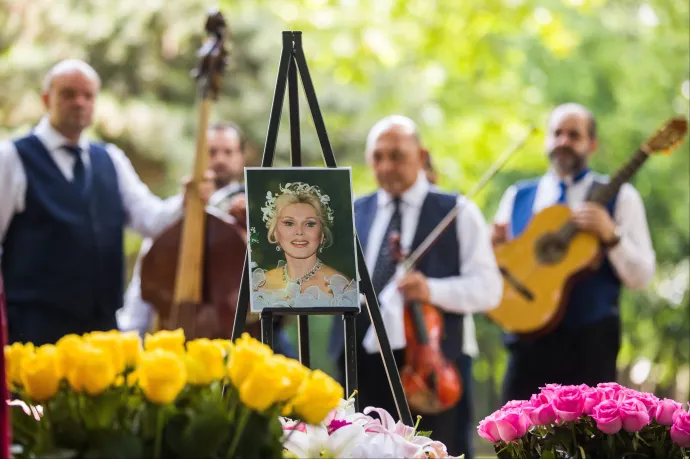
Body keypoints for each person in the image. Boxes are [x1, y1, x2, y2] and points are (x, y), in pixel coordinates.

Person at [0, 59, 213, 346]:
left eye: (88, 96)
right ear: (46, 99)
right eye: (69, 94)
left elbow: (151, 220)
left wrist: (186, 201)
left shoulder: (111, 159)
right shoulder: (12, 157)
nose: (80, 102)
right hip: (34, 327)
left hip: (102, 329)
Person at [328, 115, 503, 458]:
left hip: (431, 369)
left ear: (421, 157)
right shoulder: (350, 212)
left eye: (397, 156)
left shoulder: (458, 211)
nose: (386, 166)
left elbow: (489, 289)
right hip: (360, 362)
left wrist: (432, 290)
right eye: (378, 157)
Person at [491, 103, 656, 402]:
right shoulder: (517, 196)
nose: (563, 141)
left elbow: (643, 276)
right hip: (526, 342)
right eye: (557, 133)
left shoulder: (622, 198)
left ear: (592, 144)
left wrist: (612, 236)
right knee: (514, 442)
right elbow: (497, 265)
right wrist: (491, 249)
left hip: (590, 344)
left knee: (588, 446)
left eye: (574, 135)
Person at [251, 182, 358, 310]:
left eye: (310, 224)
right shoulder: (258, 285)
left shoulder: (343, 289)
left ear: (322, 234)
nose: (300, 232)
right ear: (275, 232)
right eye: (289, 223)